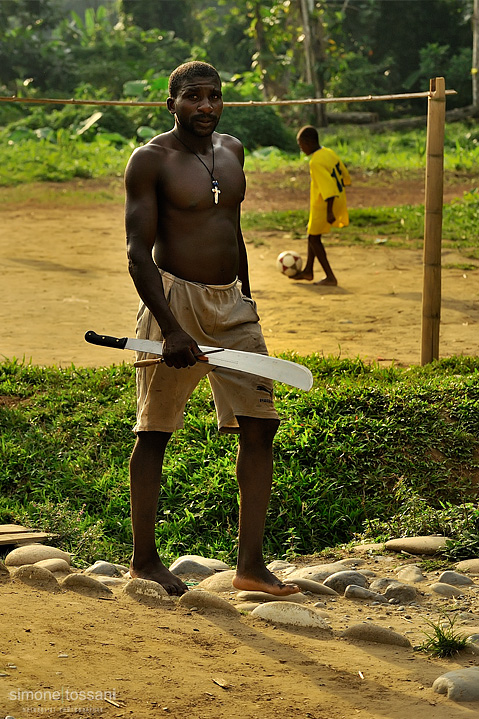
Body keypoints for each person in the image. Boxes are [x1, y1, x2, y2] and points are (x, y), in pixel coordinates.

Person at [124, 61, 299, 597]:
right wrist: (172, 330)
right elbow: (137, 255)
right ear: (171, 103)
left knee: (261, 424)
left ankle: (250, 565)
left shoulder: (233, 149)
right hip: (174, 301)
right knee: (155, 430)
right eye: (193, 97)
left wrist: (246, 294)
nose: (205, 106)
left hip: (233, 305)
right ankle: (145, 560)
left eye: (214, 97)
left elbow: (234, 229)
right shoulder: (150, 160)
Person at [293, 125, 351, 286]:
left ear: (308, 142)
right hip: (337, 198)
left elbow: (328, 188)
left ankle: (330, 277)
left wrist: (329, 211)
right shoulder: (328, 153)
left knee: (314, 238)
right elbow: (345, 176)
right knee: (312, 235)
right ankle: (308, 271)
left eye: (301, 145)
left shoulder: (315, 161)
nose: (301, 148)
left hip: (325, 203)